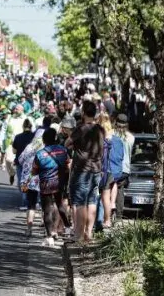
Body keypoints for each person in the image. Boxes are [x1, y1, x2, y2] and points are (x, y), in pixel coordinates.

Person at [66, 101, 104, 243]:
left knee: (80, 202)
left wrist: (75, 145)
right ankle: (89, 233)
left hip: (82, 169)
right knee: (92, 200)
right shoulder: (100, 130)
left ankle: (79, 235)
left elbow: (67, 143)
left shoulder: (80, 129)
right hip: (96, 169)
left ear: (83, 113)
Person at [32, 128, 72, 246]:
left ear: (44, 139)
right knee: (60, 205)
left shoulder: (40, 154)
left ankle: (49, 237)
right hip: (59, 183)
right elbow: (68, 165)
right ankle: (68, 229)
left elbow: (34, 171)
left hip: (46, 184)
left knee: (47, 210)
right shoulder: (63, 150)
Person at [99, 114, 124, 229]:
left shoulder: (103, 140)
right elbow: (121, 155)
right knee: (111, 190)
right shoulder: (118, 139)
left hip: (105, 169)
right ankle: (111, 208)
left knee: (103, 195)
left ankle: (105, 220)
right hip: (115, 170)